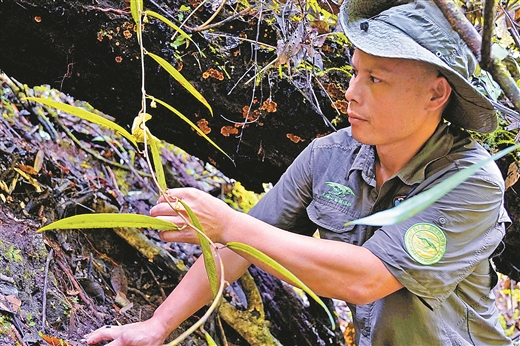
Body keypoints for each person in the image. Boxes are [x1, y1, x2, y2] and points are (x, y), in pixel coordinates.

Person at [85, 0, 513, 345]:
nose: (351, 93)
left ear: (436, 94)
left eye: (376, 80)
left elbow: (366, 278)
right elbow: (238, 247)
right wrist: (158, 326)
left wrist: (229, 223)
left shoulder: (469, 182)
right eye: (354, 73)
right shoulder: (329, 156)